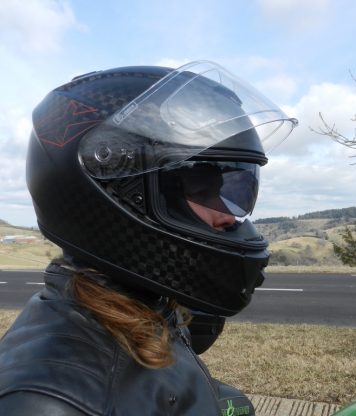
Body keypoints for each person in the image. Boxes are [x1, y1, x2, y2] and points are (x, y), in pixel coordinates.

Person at [0, 61, 297, 415]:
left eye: (230, 192)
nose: (228, 216)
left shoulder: (139, 306)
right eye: (201, 191)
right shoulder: (48, 403)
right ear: (120, 194)